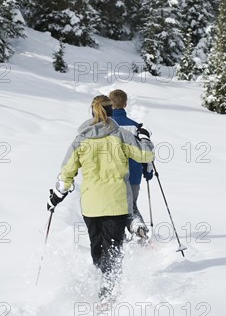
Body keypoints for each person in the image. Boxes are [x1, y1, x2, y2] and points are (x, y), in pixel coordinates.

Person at [47, 95, 154, 303]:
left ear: (92, 112)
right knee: (113, 249)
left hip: (91, 206)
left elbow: (66, 172)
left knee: (98, 249)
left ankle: (103, 283)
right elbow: (145, 155)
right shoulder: (121, 136)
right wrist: (145, 137)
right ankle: (108, 291)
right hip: (116, 204)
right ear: (111, 111)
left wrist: (56, 196)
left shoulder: (80, 140)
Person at [108, 89, 153, 238]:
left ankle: (119, 238)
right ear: (125, 104)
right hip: (133, 175)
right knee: (131, 205)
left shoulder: (104, 126)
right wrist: (148, 172)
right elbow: (146, 153)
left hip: (111, 176)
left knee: (112, 208)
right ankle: (140, 231)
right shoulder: (136, 127)